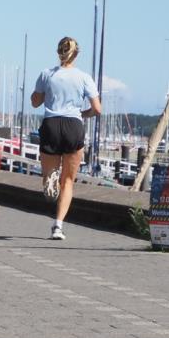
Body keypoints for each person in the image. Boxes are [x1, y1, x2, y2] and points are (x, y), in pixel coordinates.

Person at [30, 36, 101, 240]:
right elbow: (97, 109)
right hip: (73, 126)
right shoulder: (84, 77)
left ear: (58, 52)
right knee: (68, 181)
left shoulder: (46, 74)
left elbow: (35, 102)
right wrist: (83, 114)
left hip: (51, 124)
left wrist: (44, 93)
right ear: (76, 54)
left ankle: (49, 178)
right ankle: (58, 226)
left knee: (48, 173)